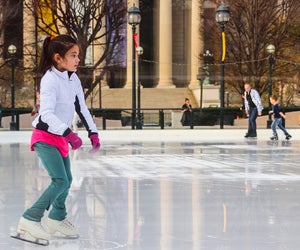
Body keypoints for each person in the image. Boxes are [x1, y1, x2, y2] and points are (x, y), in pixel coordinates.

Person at [16, 35, 101, 242]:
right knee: (60, 180)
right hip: (45, 137)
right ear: (58, 58)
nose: (78, 59)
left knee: (67, 180)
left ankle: (56, 217)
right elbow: (45, 114)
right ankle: (30, 218)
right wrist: (69, 133)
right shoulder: (49, 79)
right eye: (73, 55)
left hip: (59, 137)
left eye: (78, 55)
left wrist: (93, 132)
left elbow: (81, 106)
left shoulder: (73, 79)